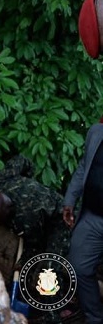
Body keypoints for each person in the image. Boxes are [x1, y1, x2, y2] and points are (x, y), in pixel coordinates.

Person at [0, 154, 70, 264]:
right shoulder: (4, 180)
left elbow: (34, 246)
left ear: (9, 209)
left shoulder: (26, 217)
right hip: (46, 210)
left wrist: (21, 263)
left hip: (60, 217)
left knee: (52, 265)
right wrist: (28, 178)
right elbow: (22, 159)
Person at [62, 119, 103, 323]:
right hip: (92, 216)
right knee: (78, 266)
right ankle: (95, 318)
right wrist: (70, 200)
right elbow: (83, 167)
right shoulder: (96, 132)